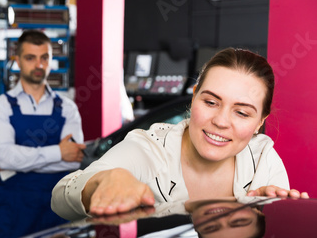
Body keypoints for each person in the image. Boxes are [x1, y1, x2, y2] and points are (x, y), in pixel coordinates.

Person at [52, 48, 309, 221]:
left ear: (259, 123)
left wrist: (276, 217)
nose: (220, 121)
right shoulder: (148, 149)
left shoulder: (264, 159)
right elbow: (61, 196)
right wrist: (100, 182)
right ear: (194, 96)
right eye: (210, 102)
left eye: (241, 113)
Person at [0, 29, 85, 238]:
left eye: (44, 58)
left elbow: (74, 159)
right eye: (31, 58)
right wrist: (58, 152)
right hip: (12, 215)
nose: (39, 65)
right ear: (18, 60)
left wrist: (19, 162)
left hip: (55, 214)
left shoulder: (67, 108)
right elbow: (5, 158)